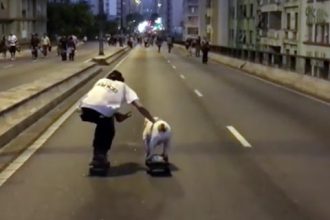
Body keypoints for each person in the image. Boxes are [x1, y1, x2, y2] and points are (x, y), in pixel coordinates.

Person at [79, 70, 156, 166]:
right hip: (101, 111)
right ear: (121, 80)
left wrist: (116, 114)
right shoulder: (123, 86)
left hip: (84, 109)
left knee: (103, 122)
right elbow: (139, 106)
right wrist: (153, 120)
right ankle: (100, 155)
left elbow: (101, 101)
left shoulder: (101, 80)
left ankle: (97, 153)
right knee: (109, 129)